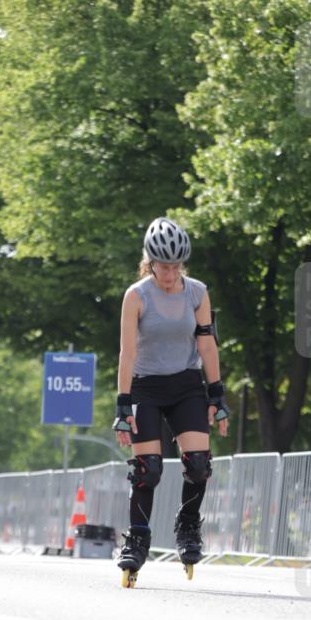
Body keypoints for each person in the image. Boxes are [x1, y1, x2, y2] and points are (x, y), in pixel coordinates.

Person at [112, 216, 230, 579]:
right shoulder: (137, 296)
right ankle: (137, 540)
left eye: (176, 265)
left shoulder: (196, 292)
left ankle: (189, 526)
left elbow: (207, 345)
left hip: (186, 385)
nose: (170, 272)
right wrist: (122, 404)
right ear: (150, 261)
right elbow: (127, 354)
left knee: (198, 464)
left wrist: (217, 395)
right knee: (148, 471)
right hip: (146, 387)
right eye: (163, 265)